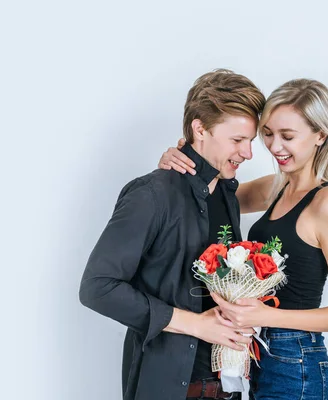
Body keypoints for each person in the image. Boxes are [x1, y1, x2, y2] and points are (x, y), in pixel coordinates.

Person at [158, 78, 328, 399]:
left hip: (296, 363)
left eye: (288, 136)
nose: (274, 146)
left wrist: (264, 315)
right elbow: (207, 201)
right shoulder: (275, 186)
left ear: (320, 136)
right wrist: (181, 160)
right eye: (268, 133)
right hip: (254, 356)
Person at [79, 69, 266, 400]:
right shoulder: (151, 194)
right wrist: (195, 324)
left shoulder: (227, 196)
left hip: (229, 386)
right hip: (170, 388)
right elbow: (97, 288)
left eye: (250, 141)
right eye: (238, 140)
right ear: (200, 129)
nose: (248, 153)